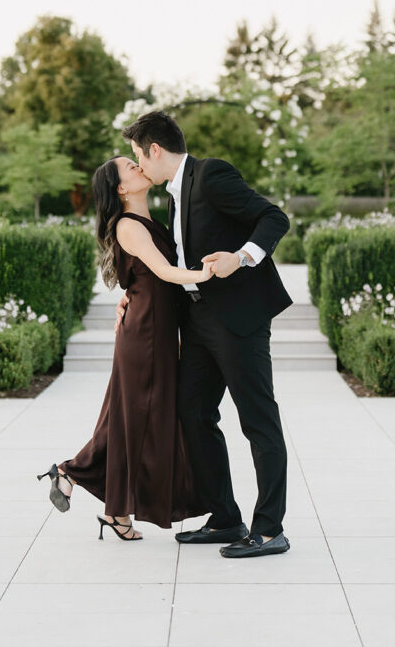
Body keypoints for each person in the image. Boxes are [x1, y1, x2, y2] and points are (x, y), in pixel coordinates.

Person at [118, 110, 292, 558]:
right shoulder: (176, 194)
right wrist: (133, 296)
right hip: (198, 320)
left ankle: (270, 530)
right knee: (191, 412)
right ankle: (226, 519)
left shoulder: (211, 174)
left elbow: (274, 218)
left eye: (138, 154)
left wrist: (242, 256)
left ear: (155, 149)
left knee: (258, 421)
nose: (138, 163)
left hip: (238, 320)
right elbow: (173, 264)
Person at [37, 155, 212, 541]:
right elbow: (165, 273)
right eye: (130, 167)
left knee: (127, 418)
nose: (138, 166)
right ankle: (76, 474)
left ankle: (108, 504)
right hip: (146, 336)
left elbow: (149, 279)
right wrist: (209, 272)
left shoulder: (151, 220)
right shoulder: (130, 226)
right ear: (121, 189)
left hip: (154, 329)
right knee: (136, 418)